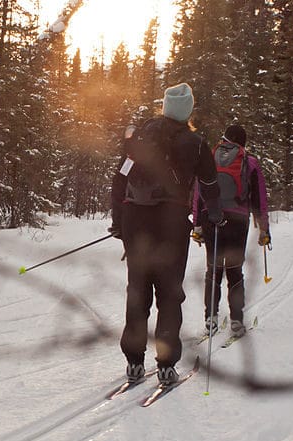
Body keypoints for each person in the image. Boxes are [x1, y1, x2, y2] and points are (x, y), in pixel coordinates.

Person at [110, 83, 221, 389]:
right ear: (187, 111)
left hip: (135, 220)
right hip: (170, 223)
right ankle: (166, 365)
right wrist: (214, 215)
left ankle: (134, 361)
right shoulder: (195, 143)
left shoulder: (143, 136)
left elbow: (120, 179)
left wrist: (118, 221)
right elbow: (210, 185)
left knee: (138, 289)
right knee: (169, 293)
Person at [192, 124, 270, 340]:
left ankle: (210, 319)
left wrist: (197, 224)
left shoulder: (210, 157)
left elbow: (199, 191)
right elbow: (259, 198)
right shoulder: (249, 161)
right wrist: (264, 229)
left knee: (213, 269)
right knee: (234, 270)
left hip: (211, 217)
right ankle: (236, 321)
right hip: (238, 219)